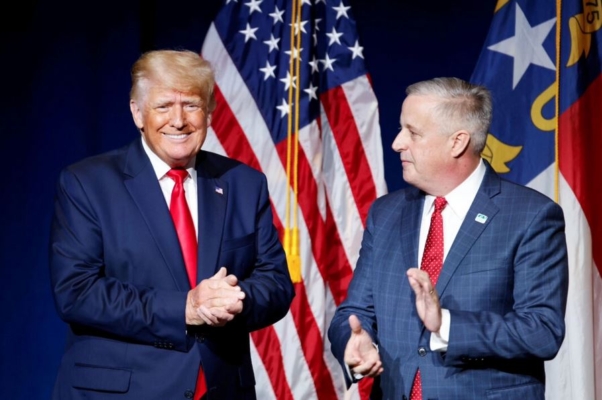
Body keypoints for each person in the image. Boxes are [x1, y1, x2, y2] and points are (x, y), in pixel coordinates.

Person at [49, 49, 295, 400]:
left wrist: (233, 300)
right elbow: (76, 291)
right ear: (137, 113)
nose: (178, 120)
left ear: (209, 111)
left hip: (221, 389)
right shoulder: (87, 184)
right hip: (120, 392)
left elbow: (276, 283)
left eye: (192, 105)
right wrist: (186, 307)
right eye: (164, 106)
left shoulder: (244, 184)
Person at [328, 77, 568, 399]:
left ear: (457, 143)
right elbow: (355, 312)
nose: (397, 142)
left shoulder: (531, 217)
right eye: (402, 129)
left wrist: (446, 325)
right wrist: (355, 343)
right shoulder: (386, 213)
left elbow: (541, 331)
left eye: (413, 132)